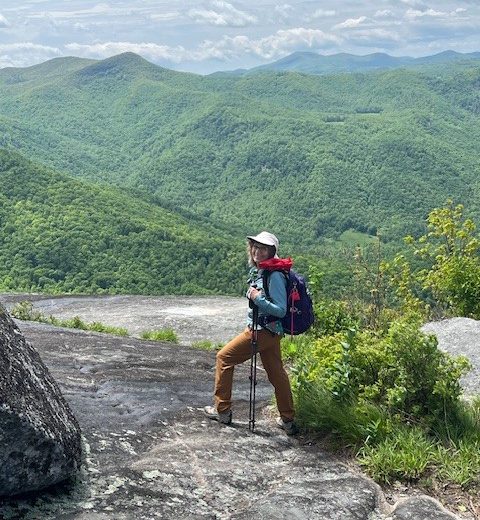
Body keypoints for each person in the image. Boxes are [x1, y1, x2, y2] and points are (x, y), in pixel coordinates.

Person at [204, 231, 298, 435]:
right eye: (255, 247)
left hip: (261, 331)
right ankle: (288, 420)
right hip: (271, 332)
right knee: (276, 373)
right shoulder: (266, 271)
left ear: (271, 252)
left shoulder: (273, 276)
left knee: (223, 358)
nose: (257, 251)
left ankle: (222, 411)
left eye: (263, 248)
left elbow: (280, 310)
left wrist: (257, 298)